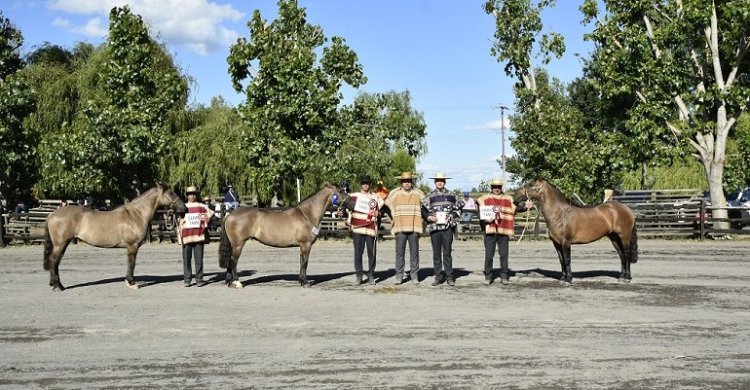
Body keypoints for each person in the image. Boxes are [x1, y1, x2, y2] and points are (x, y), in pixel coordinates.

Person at [477, 178, 530, 285]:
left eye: (499, 187)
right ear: (491, 187)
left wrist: (526, 207)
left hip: (503, 229)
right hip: (490, 230)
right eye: (495, 187)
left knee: (504, 254)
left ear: (501, 187)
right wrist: (483, 219)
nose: (497, 189)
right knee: (489, 255)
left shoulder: (508, 198)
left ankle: (504, 275)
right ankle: (488, 275)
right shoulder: (484, 198)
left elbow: (515, 209)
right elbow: (479, 211)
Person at [338, 175, 384, 285]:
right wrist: (342, 213)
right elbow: (345, 209)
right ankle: (359, 275)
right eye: (364, 183)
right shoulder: (353, 196)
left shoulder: (376, 198)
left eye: (367, 183)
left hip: (370, 229)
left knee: (371, 253)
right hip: (357, 229)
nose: (365, 185)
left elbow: (382, 211)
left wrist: (378, 214)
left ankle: (371, 275)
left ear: (370, 184)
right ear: (361, 185)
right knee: (358, 253)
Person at [422, 173, 465, 287]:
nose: (439, 182)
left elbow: (460, 207)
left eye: (441, 180)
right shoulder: (429, 195)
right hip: (434, 228)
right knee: (436, 254)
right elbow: (423, 210)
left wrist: (453, 218)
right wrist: (428, 217)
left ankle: (449, 277)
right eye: (437, 180)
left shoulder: (452, 195)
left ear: (445, 182)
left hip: (447, 228)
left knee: (447, 253)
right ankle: (438, 276)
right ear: (435, 182)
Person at [384, 171, 425, 285]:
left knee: (414, 253)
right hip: (400, 227)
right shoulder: (394, 193)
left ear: (411, 182)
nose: (407, 183)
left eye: (408, 181)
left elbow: (426, 206)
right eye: (404, 181)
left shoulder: (418, 193)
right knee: (399, 253)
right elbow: (386, 205)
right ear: (401, 182)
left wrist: (425, 218)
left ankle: (414, 276)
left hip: (414, 227)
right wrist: (392, 215)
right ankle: (399, 276)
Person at [177, 186, 214, 287]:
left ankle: (199, 279)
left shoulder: (201, 206)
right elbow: (178, 220)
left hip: (198, 236)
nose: (192, 196)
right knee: (186, 259)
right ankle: (187, 279)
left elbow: (209, 215)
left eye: (194, 194)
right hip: (186, 237)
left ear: (196, 195)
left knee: (199, 259)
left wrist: (205, 221)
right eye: (190, 194)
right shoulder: (182, 206)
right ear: (187, 196)